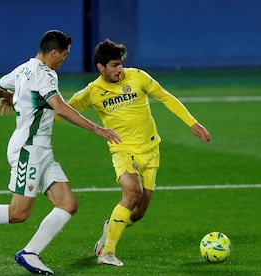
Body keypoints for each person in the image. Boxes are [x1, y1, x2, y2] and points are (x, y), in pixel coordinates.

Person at [0, 30, 122, 275]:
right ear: (54, 53)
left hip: (41, 150)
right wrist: (97, 129)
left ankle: (30, 253)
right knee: (19, 212)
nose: (65, 59)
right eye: (64, 55)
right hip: (28, 150)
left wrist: (12, 96)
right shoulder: (45, 74)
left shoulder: (22, 69)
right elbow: (60, 108)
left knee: (67, 204)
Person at [66, 39, 211, 266]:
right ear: (100, 67)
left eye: (120, 64)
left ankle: (111, 226)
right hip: (122, 149)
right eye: (114, 65)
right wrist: (22, 105)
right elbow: (61, 110)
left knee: (139, 212)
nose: (119, 70)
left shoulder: (138, 76)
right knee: (132, 192)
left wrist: (192, 123)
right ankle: (108, 253)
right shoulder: (91, 92)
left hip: (151, 150)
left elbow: (165, 96)